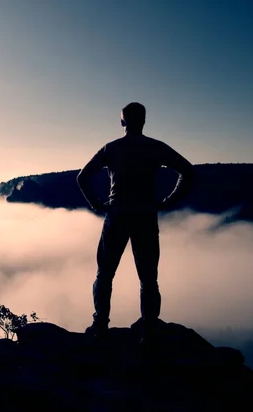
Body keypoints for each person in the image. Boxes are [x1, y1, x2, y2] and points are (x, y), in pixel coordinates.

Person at [76, 102, 194, 342]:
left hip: (116, 215)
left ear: (122, 122)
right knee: (148, 279)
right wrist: (169, 201)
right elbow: (187, 171)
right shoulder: (156, 148)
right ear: (144, 121)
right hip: (146, 217)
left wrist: (96, 204)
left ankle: (100, 326)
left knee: (104, 274)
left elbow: (82, 177)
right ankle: (149, 331)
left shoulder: (111, 148)